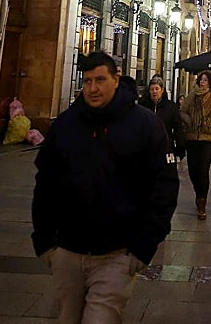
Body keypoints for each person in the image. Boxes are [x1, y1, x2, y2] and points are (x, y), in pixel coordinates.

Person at [32, 51, 179, 323]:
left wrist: (144, 246)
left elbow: (164, 186)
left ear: (116, 79)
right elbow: (46, 182)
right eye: (87, 81)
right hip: (67, 249)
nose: (93, 88)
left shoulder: (145, 124)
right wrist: (44, 240)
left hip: (118, 253)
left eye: (100, 80)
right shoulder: (66, 123)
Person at [181, 70, 211, 219]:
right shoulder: (192, 96)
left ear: (210, 83)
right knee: (193, 170)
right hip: (192, 137)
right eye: (201, 79)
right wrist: (189, 121)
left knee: (203, 169)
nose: (202, 82)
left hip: (208, 139)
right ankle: (198, 193)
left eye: (205, 80)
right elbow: (182, 111)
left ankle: (202, 201)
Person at [139, 75, 185, 161]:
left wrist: (180, 147)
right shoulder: (143, 106)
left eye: (157, 89)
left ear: (162, 90)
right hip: (146, 147)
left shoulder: (171, 107)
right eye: (152, 89)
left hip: (165, 146)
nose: (154, 92)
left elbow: (177, 127)